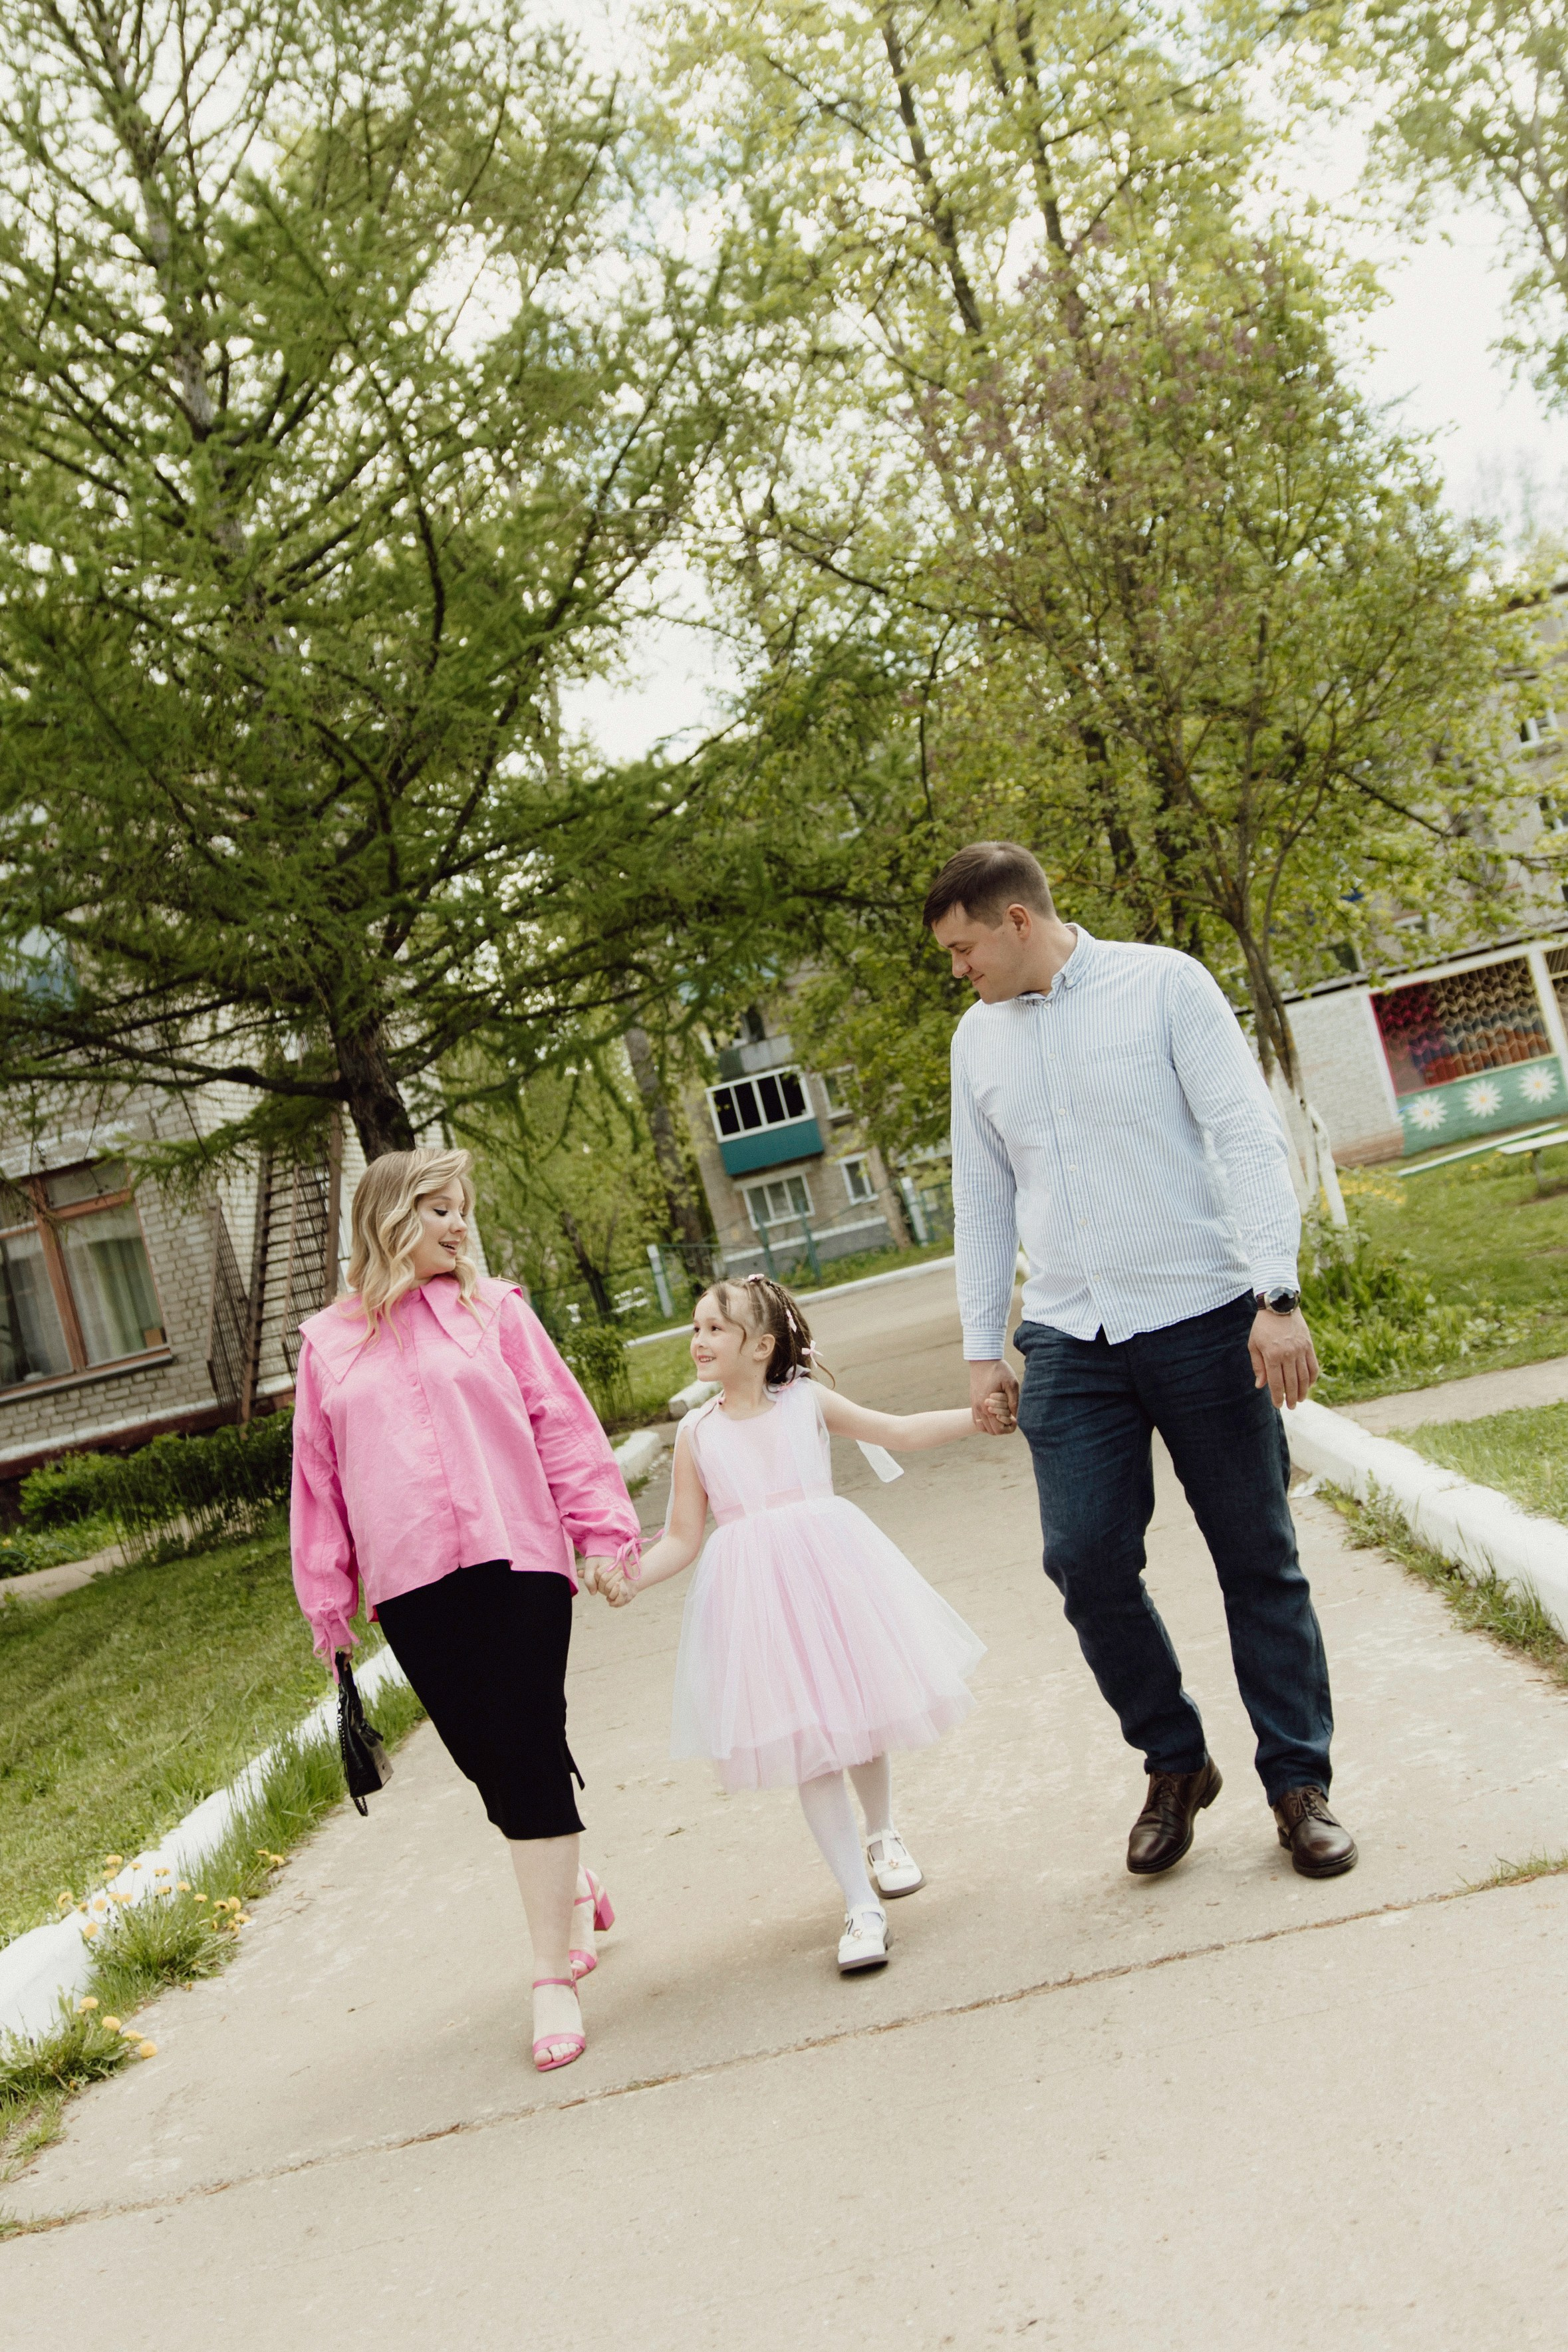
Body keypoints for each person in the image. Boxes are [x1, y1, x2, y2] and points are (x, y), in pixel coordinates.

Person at [927, 840, 1357, 1881]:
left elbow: (1246, 1135)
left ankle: (1298, 1783)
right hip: (1071, 1336)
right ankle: (1174, 1759)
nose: (956, 970)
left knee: (1255, 1554)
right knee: (1083, 1559)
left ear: (1017, 922)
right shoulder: (975, 1042)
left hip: (1206, 1316)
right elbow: (981, 1198)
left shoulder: (1164, 985)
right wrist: (984, 1348)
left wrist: (1276, 1293)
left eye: (961, 946)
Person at [289, 1146, 640, 2073]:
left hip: (517, 1555)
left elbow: (560, 1423)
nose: (458, 1225)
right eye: (437, 1208)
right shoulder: (327, 1345)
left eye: (463, 1209)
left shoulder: (497, 1313)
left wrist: (601, 1531)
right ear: (388, 1216)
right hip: (411, 1583)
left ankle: (547, 1978)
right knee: (489, 1763)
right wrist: (327, 1596)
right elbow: (317, 1483)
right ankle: (570, 1884)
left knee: (526, 1742)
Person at [600, 1274, 996, 1972]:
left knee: (859, 1712)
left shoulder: (804, 1403)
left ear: (761, 1346)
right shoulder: (696, 1433)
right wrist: (629, 1576)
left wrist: (976, 1416)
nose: (698, 1341)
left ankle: (883, 1835)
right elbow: (683, 1538)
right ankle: (859, 1905)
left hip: (832, 1572)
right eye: (695, 1328)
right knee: (809, 1743)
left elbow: (896, 1431)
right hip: (756, 1598)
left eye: (714, 1329)